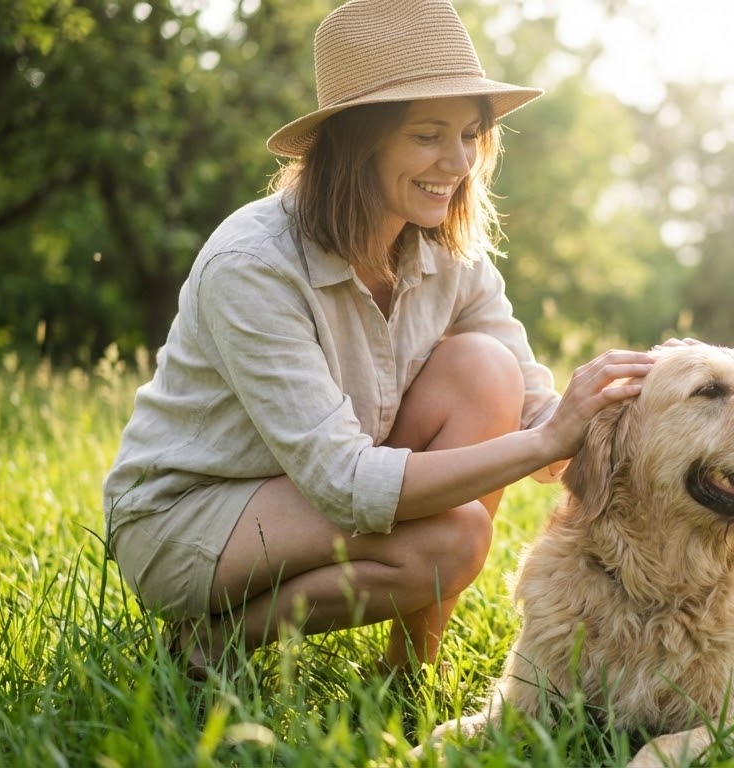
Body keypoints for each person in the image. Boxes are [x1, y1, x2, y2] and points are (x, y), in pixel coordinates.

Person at [103, 0, 654, 677]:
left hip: (313, 495)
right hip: (190, 520)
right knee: (454, 539)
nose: (457, 163)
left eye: (471, 134)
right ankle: (210, 648)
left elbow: (537, 412)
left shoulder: (451, 253)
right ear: (358, 141)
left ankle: (404, 677)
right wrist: (544, 440)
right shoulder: (252, 265)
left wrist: (665, 430)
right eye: (428, 134)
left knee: (486, 372)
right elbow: (343, 481)